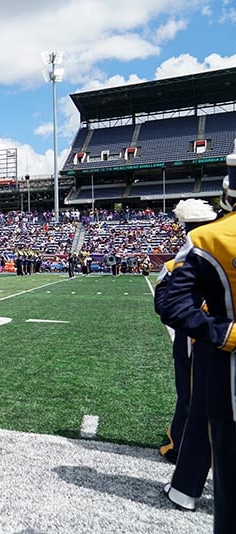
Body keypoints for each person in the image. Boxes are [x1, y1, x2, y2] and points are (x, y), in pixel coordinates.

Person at [159, 155, 236, 532]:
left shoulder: (201, 245)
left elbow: (169, 300)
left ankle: (186, 485)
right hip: (209, 343)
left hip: (209, 345)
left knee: (199, 412)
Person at [154, 198, 217, 511]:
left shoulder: (183, 259)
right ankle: (178, 448)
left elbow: (167, 305)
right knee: (197, 401)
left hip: (201, 339)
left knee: (195, 401)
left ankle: (179, 456)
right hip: (203, 340)